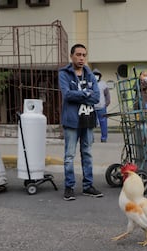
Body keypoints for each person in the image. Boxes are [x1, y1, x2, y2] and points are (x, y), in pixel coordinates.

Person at [58, 44, 103, 201]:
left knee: (87, 154)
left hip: (88, 119)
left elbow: (97, 97)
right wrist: (86, 94)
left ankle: (88, 186)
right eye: (78, 54)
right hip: (71, 121)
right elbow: (67, 94)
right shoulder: (64, 74)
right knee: (69, 155)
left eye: (84, 55)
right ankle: (69, 187)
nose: (82, 58)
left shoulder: (90, 74)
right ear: (72, 56)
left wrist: (81, 95)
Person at [93, 68, 110, 143]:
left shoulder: (103, 84)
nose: (96, 76)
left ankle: (104, 138)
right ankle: (90, 138)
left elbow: (107, 95)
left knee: (103, 123)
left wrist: (107, 103)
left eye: (97, 75)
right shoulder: (90, 83)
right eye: (94, 75)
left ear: (100, 76)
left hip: (101, 107)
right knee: (91, 124)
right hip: (92, 107)